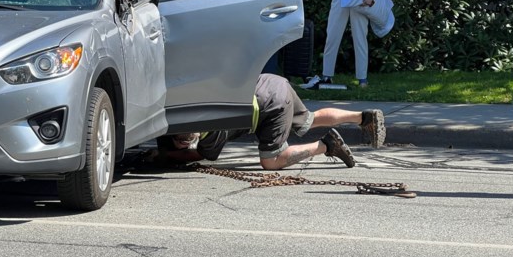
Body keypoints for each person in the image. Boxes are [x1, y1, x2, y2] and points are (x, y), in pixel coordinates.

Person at [152, 73, 385, 170]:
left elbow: (201, 155)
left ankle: (326, 146)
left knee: (270, 162)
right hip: (272, 83)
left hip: (271, 105)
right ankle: (363, 118)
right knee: (309, 119)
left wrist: (164, 156)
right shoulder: (195, 100)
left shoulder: (209, 132)